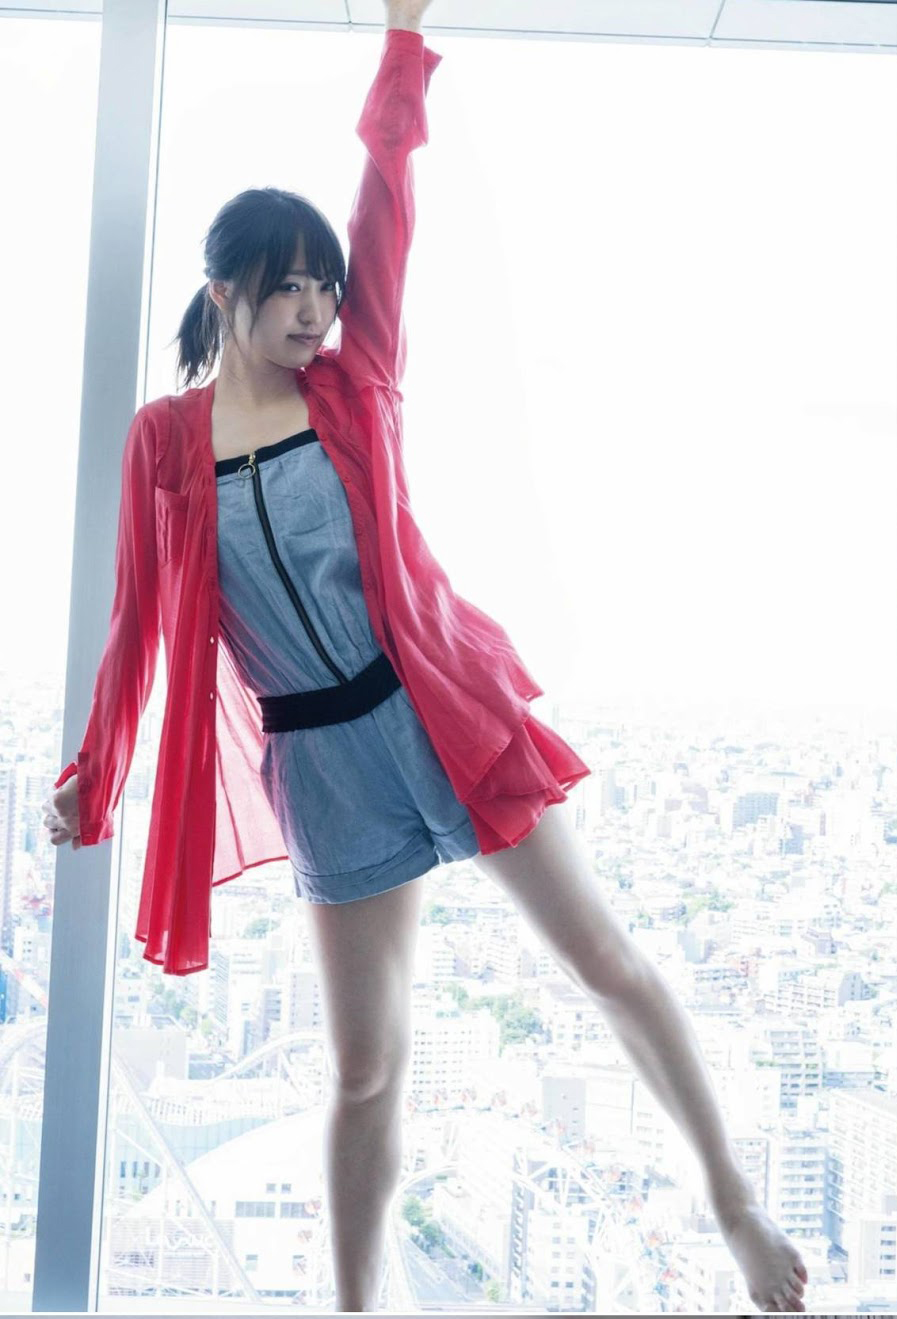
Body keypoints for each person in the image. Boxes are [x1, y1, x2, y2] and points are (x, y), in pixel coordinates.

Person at [43, 1, 809, 1311]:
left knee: (602, 958)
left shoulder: (356, 385)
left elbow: (387, 197)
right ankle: (354, 1309)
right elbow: (135, 628)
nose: (316, 305)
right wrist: (92, 776)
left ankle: (734, 1206)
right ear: (227, 290)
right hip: (319, 762)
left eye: (325, 285)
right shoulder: (162, 441)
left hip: (438, 710)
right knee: (363, 1071)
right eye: (290, 284)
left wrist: (401, 46)